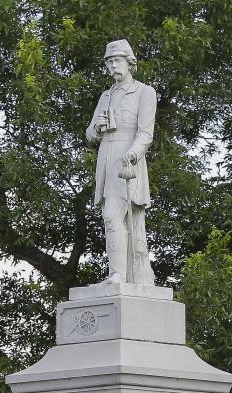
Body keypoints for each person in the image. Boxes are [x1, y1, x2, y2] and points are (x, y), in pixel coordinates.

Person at [86, 40, 157, 285]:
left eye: (117, 61)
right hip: (107, 159)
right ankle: (117, 274)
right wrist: (98, 127)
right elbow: (89, 134)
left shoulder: (144, 92)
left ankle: (120, 275)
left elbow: (146, 133)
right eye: (109, 62)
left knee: (114, 215)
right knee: (110, 216)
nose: (113, 66)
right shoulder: (105, 96)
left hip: (128, 161)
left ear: (129, 62)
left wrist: (134, 153)